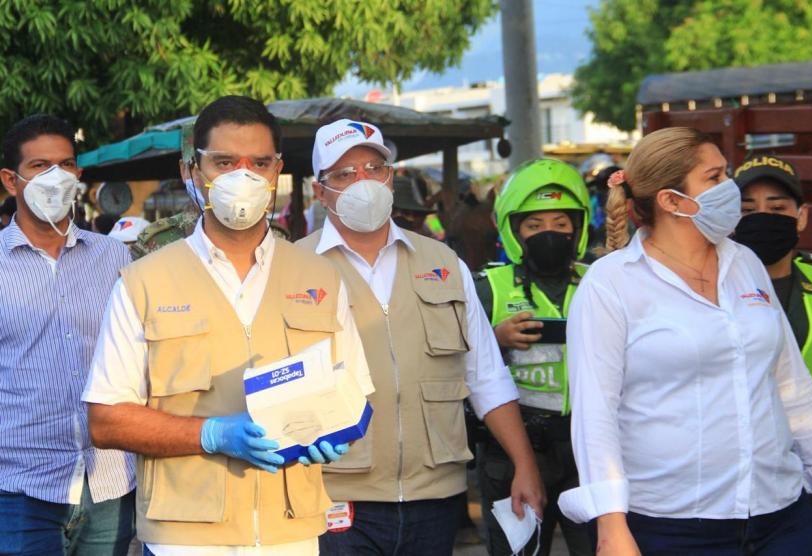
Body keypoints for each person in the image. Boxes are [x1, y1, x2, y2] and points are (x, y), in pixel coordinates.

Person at [82, 96, 373, 556]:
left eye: (259, 163)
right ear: (192, 172)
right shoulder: (144, 281)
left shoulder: (319, 278)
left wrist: (332, 432)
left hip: (291, 535)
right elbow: (106, 420)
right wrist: (213, 434)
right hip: (184, 538)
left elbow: (353, 389)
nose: (244, 177)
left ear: (277, 170)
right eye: (224, 162)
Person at [557, 127, 812, 555]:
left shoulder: (745, 263)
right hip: (670, 527)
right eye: (715, 177)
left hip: (780, 514)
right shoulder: (610, 284)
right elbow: (595, 414)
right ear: (672, 201)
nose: (730, 188)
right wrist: (611, 525)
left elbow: (789, 384)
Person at [296, 118, 545, 556]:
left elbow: (486, 375)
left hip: (435, 496)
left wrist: (524, 464)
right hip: (334, 495)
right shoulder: (292, 268)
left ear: (391, 177)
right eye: (345, 173)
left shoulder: (443, 263)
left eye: (374, 168)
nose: (364, 182)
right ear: (320, 190)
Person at [0, 114, 135, 554]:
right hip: (20, 489)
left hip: (109, 483)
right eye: (40, 166)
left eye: (66, 165)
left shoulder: (114, 256)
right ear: (11, 180)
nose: (56, 177)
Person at [474, 159, 593, 556]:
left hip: (585, 450)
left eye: (561, 224)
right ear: (514, 230)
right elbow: (459, 360)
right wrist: (496, 338)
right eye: (534, 225)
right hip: (513, 451)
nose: (549, 233)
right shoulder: (489, 287)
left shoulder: (598, 280)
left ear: (578, 228)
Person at [731, 154, 812, 543]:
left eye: (777, 209)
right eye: (747, 210)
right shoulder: (705, 294)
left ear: (801, 217)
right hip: (740, 483)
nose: (762, 218)